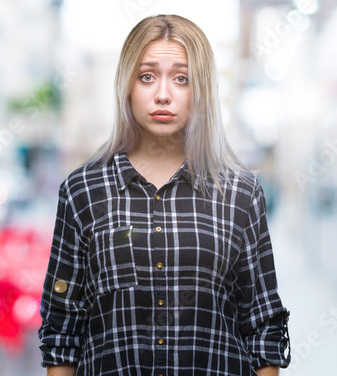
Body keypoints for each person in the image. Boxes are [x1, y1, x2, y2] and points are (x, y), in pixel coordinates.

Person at [38, 14, 291, 376]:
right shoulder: (83, 191)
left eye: (181, 78)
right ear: (127, 85)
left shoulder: (240, 193)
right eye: (147, 76)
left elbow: (262, 322)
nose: (162, 94)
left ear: (201, 89)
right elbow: (63, 326)